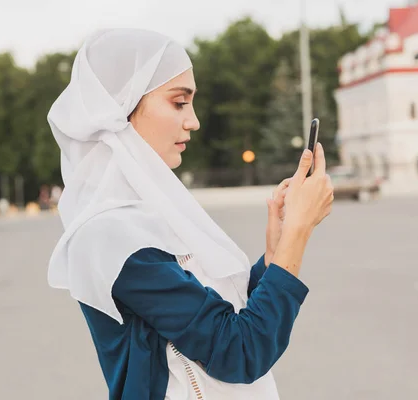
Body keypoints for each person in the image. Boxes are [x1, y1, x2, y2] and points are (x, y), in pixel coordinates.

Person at [46, 28, 334, 400]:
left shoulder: (147, 215)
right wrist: (298, 232)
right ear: (121, 109)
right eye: (179, 103)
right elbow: (240, 350)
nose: (194, 121)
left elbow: (225, 313)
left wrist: (277, 250)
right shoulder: (110, 235)